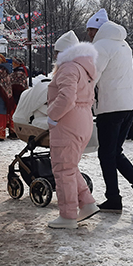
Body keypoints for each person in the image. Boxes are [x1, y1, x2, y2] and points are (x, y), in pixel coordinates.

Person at [86, 8, 133, 212]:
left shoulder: (101, 46)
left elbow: (91, 76)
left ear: (97, 29)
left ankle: (114, 198)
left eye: (89, 30)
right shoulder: (123, 44)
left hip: (111, 107)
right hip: (128, 106)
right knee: (114, 152)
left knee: (106, 154)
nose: (88, 35)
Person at [46, 37, 99, 229]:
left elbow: (67, 98)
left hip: (68, 122)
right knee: (70, 166)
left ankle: (67, 216)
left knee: (63, 169)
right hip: (83, 119)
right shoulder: (84, 68)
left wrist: (52, 115)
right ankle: (87, 202)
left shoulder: (68, 68)